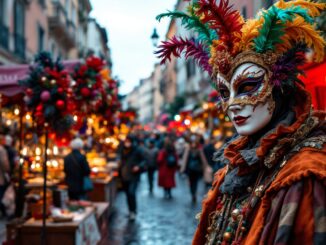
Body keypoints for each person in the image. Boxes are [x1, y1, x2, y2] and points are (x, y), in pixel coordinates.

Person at [156, 0, 326, 244]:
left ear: (278, 87)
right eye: (225, 93)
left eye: (247, 87)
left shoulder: (306, 172)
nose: (233, 104)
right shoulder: (235, 164)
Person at [117, 136, 146, 221]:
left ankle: (133, 211)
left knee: (131, 193)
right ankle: (130, 211)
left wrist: (138, 166)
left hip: (133, 176)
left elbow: (144, 160)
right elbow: (119, 159)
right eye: (126, 141)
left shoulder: (137, 150)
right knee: (127, 194)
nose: (127, 143)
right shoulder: (122, 150)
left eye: (129, 141)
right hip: (124, 176)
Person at [180, 135, 209, 204]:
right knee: (191, 182)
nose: (193, 144)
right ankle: (193, 193)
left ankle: (194, 194)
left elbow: (203, 160)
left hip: (196, 169)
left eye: (194, 143)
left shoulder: (199, 150)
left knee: (195, 182)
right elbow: (185, 160)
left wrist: (206, 167)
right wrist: (183, 168)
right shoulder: (188, 150)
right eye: (192, 143)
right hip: (190, 169)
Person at [0, 134, 10, 217]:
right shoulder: (1, 150)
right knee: (1, 195)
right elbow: (4, 164)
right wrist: (7, 170)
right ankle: (3, 211)